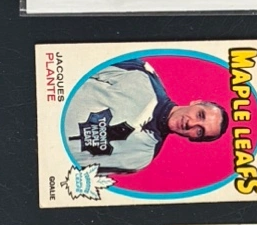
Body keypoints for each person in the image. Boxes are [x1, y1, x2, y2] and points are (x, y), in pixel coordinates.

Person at [65, 57, 228, 173]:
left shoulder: (141, 158)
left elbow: (75, 170)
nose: (191, 124)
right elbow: (72, 62)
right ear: (196, 102)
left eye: (199, 131)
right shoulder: (141, 75)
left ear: (193, 139)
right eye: (200, 115)